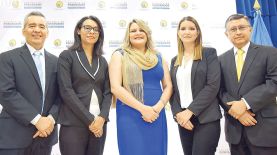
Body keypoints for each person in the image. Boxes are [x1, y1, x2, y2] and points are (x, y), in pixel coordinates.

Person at [109, 19, 172, 155]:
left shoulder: (158, 57)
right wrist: (143, 109)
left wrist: (157, 107)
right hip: (130, 114)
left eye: (141, 30)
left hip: (156, 114)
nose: (137, 33)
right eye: (133, 31)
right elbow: (115, 88)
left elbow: (168, 86)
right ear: (128, 35)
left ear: (147, 33)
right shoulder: (119, 55)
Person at [0, 11, 60, 155]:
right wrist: (37, 120)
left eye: (42, 26)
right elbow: (6, 93)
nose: (37, 30)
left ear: (47, 32)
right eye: (32, 26)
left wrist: (50, 120)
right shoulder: (7, 58)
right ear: (23, 31)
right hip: (13, 136)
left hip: (45, 136)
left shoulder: (57, 62)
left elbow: (62, 95)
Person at [219, 14, 277, 155]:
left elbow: (274, 82)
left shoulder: (270, 53)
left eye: (242, 27)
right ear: (227, 34)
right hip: (235, 131)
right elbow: (219, 90)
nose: (238, 32)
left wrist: (245, 104)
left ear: (250, 30)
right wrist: (239, 113)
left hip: (265, 130)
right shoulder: (220, 60)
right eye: (233, 29)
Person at [57, 15, 112, 155]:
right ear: (78, 31)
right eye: (87, 28)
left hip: (99, 125)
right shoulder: (67, 56)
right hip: (74, 123)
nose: (92, 32)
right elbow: (66, 90)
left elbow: (107, 92)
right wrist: (90, 119)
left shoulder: (103, 61)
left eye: (96, 29)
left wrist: (102, 118)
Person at [169, 16, 221, 155]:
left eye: (192, 28)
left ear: (198, 32)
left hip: (207, 118)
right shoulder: (175, 60)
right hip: (184, 120)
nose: (187, 31)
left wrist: (189, 111)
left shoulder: (209, 53)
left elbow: (212, 86)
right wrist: (178, 114)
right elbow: (172, 91)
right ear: (178, 33)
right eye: (183, 28)